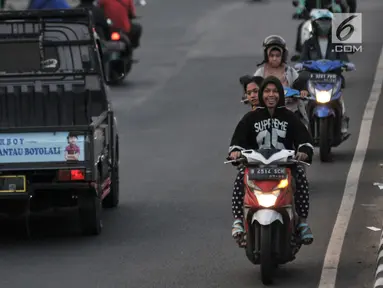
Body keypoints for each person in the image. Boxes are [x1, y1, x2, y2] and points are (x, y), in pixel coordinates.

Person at [228, 76, 314, 248]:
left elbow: (304, 140)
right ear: (261, 94)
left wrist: (304, 151)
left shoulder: (290, 117)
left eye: (275, 91)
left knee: (301, 180)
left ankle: (302, 222)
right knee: (239, 180)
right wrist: (235, 152)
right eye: (267, 91)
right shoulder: (250, 118)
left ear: (280, 94)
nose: (271, 95)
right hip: (255, 166)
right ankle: (238, 219)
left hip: (285, 165)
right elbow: (237, 141)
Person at [300, 9, 353, 136]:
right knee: (305, 102)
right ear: (314, 24)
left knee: (339, 99)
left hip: (333, 78)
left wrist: (347, 64)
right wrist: (300, 65)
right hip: (314, 79)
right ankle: (304, 126)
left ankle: (342, 122)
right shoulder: (308, 44)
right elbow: (302, 60)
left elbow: (344, 59)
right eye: (321, 22)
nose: (324, 26)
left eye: (327, 22)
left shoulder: (337, 43)